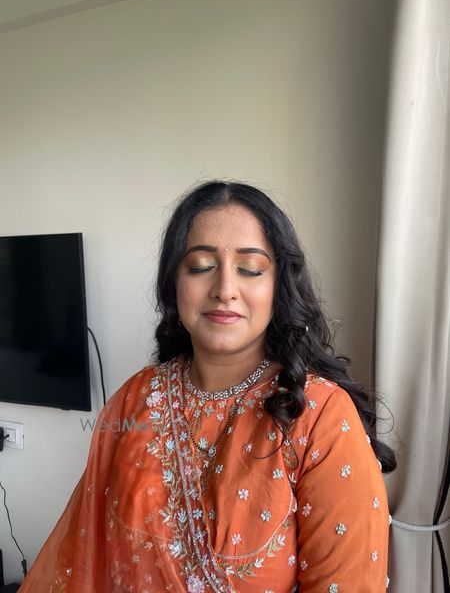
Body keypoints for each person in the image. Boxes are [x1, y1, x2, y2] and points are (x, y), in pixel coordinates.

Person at [18, 180, 397, 592]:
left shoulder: (320, 415)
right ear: (173, 283)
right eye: (200, 266)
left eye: (249, 269)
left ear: (279, 286)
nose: (224, 290)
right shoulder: (136, 398)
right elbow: (84, 557)